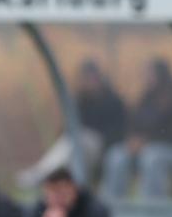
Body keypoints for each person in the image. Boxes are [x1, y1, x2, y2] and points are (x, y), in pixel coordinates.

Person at [17, 60, 126, 189]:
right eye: (86, 78)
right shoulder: (82, 100)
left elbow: (119, 130)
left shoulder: (112, 100)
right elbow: (70, 124)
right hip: (78, 144)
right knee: (68, 144)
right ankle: (44, 175)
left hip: (102, 145)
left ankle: (40, 174)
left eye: (92, 78)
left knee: (78, 141)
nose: (89, 82)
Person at [101, 58, 172, 198]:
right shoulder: (146, 99)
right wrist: (132, 141)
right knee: (116, 155)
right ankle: (113, 207)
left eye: (150, 74)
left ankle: (153, 208)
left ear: (161, 76)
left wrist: (146, 142)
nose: (146, 78)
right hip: (146, 150)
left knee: (152, 156)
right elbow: (134, 126)